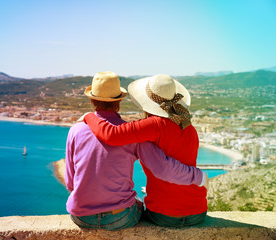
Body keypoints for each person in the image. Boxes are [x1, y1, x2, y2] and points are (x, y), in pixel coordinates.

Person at [65, 72, 208, 231]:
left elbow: (111, 135)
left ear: (92, 100)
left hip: (83, 216)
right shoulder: (188, 128)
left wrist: (89, 117)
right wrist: (199, 177)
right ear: (119, 101)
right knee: (136, 204)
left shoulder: (76, 131)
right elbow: (165, 165)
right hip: (195, 211)